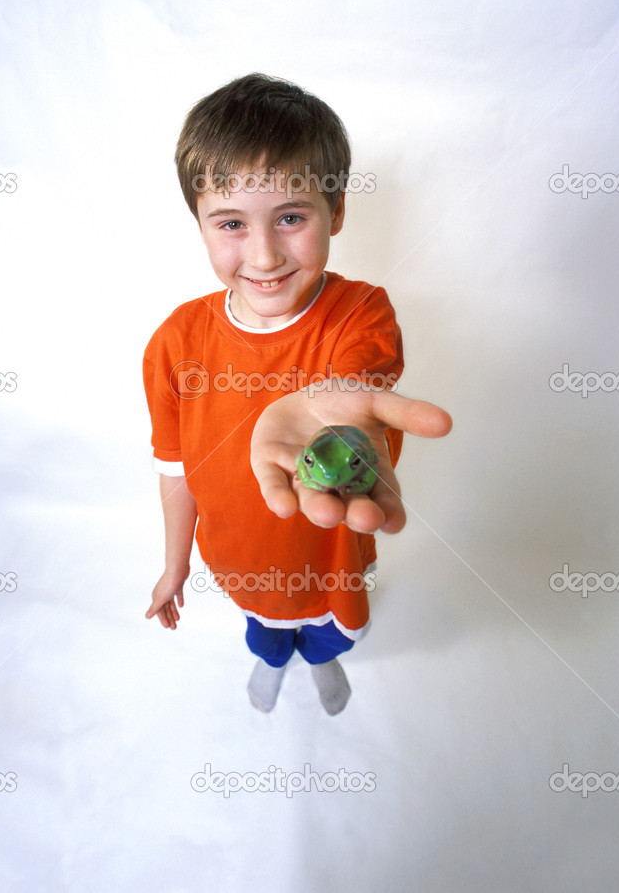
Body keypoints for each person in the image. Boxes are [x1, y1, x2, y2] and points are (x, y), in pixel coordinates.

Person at [143, 73, 451, 715]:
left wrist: (328, 401)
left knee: (325, 632)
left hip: (333, 551)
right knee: (268, 632)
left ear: (335, 211)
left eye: (290, 217)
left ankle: (324, 661)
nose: (262, 254)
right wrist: (176, 564)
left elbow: (355, 378)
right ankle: (272, 660)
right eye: (231, 223)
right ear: (198, 223)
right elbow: (174, 472)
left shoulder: (361, 313)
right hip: (241, 558)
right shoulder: (174, 341)